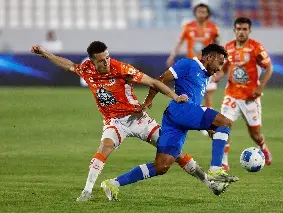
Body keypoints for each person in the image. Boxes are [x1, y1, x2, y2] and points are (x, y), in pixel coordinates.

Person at [30, 41, 225, 202]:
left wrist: (174, 97)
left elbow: (154, 82)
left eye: (107, 57)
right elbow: (68, 65)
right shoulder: (87, 70)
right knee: (104, 148)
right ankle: (87, 191)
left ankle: (209, 182)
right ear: (92, 61)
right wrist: (45, 53)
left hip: (138, 119)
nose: (106, 62)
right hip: (114, 121)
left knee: (174, 154)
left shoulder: (121, 68)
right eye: (102, 60)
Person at [101, 44, 239, 201]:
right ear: (209, 57)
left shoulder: (205, 76)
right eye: (220, 63)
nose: (220, 68)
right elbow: (159, 80)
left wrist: (208, 126)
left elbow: (196, 102)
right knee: (226, 122)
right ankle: (215, 171)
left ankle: (113, 183)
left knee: (161, 166)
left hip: (176, 119)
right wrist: (147, 102)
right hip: (181, 109)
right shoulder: (188, 64)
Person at [214, 17, 273, 170]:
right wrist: (218, 75)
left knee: (255, 134)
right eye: (238, 29)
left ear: (249, 31)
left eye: (244, 29)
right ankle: (224, 162)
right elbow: (225, 68)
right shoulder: (228, 48)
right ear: (234, 30)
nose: (241, 32)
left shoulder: (256, 48)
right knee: (223, 125)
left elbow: (269, 68)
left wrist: (260, 88)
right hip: (231, 94)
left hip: (250, 98)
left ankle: (263, 147)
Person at [166, 3, 221, 136]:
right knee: (193, 93)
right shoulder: (188, 27)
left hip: (207, 65)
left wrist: (220, 63)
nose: (201, 14)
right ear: (195, 13)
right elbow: (180, 43)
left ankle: (207, 121)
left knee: (207, 92)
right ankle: (201, 120)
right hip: (192, 66)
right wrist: (172, 55)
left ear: (207, 14)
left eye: (204, 12)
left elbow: (218, 45)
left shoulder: (213, 28)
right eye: (199, 12)